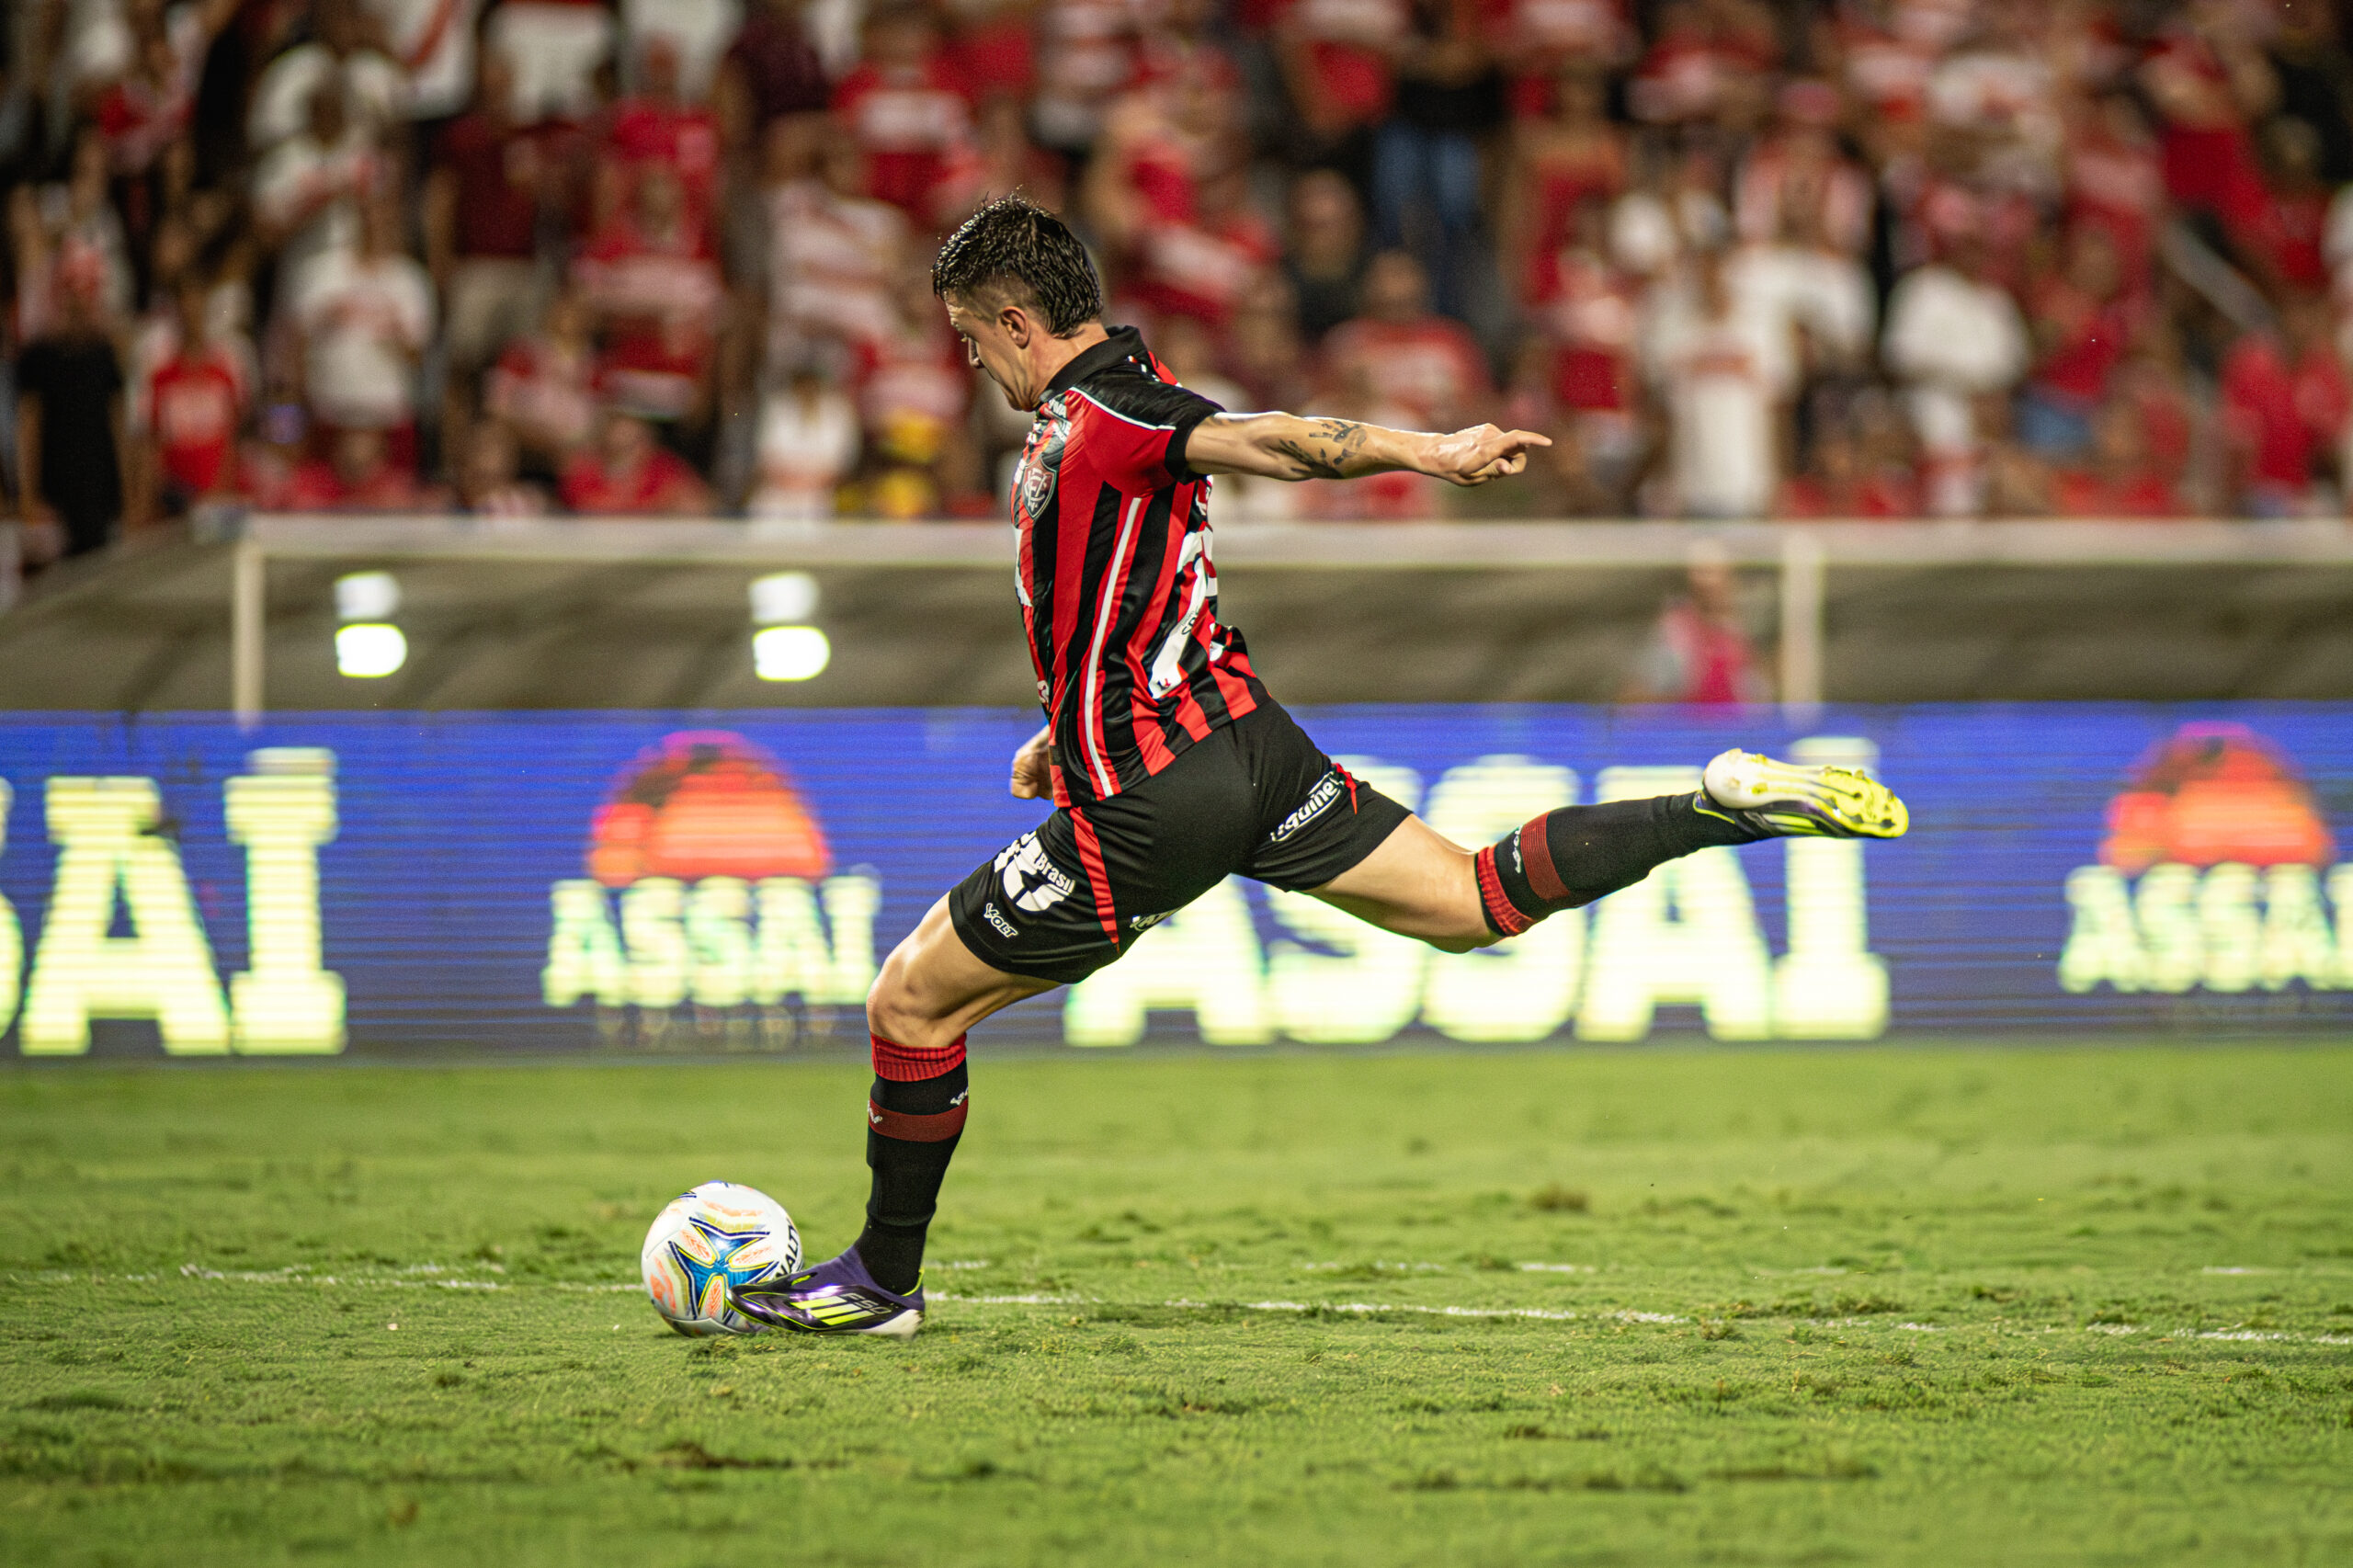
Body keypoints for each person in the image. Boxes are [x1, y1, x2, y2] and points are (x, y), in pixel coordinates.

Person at [726, 197, 1913, 1339]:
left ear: (1019, 324)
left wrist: (1431, 452)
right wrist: (1068, 723)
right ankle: (1717, 804)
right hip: (1245, 746)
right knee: (1472, 902)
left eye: (974, 338)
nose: (976, 363)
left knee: (909, 1001)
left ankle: (883, 1279)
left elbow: (1279, 441)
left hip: (1157, 794)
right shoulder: (1090, 414)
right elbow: (1127, 595)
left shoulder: (1113, 407)